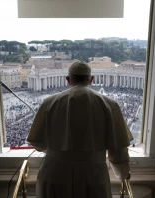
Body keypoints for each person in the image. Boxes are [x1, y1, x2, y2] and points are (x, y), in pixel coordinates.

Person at [27, 60, 132, 198]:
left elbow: (38, 144)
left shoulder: (49, 103)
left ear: (67, 80)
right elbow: (118, 153)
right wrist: (122, 174)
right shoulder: (110, 105)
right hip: (92, 175)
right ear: (92, 80)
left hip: (54, 173)